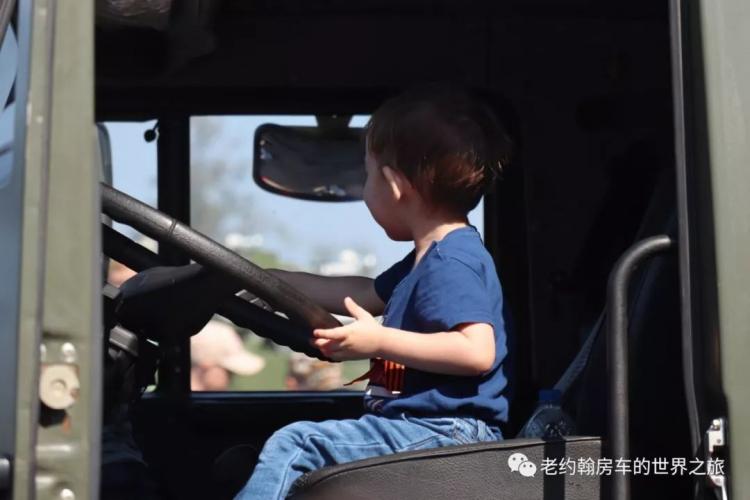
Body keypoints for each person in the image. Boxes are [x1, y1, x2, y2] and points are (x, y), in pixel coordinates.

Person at [235, 86, 512, 499]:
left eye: (366, 176)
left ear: (393, 184)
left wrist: (378, 340)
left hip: (445, 434)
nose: (365, 189)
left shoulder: (452, 261)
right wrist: (272, 280)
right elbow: (363, 292)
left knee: (297, 444)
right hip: (424, 428)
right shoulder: (428, 257)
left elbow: (476, 351)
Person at [191, 319, 266, 391]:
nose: (231, 378)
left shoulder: (194, 400)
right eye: (228, 372)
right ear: (206, 364)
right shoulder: (199, 402)